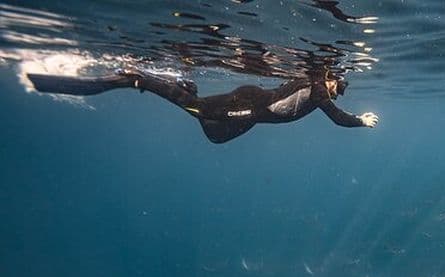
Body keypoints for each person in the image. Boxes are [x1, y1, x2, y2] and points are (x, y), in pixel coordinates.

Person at [26, 68, 379, 143]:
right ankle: (137, 79)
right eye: (338, 87)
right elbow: (338, 119)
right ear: (330, 78)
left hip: (250, 112)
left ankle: (182, 81)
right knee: (194, 108)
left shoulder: (316, 85)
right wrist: (361, 121)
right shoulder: (318, 88)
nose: (336, 93)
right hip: (248, 106)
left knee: (215, 136)